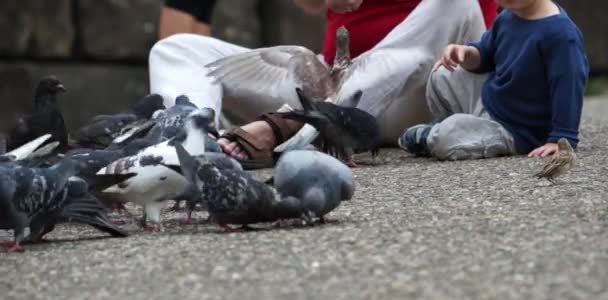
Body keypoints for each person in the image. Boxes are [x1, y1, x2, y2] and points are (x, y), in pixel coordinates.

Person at [149, 0, 499, 165]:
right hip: (335, 80)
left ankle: (296, 123)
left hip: (427, 90)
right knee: (176, 49)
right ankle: (187, 150)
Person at [398, 0, 589, 161]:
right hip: (490, 99)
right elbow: (486, 54)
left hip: (517, 129)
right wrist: (466, 53)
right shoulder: (508, 16)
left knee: (447, 139)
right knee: (441, 74)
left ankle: (435, 137)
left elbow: (568, 89)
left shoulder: (561, 35)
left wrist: (561, 139)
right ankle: (449, 123)